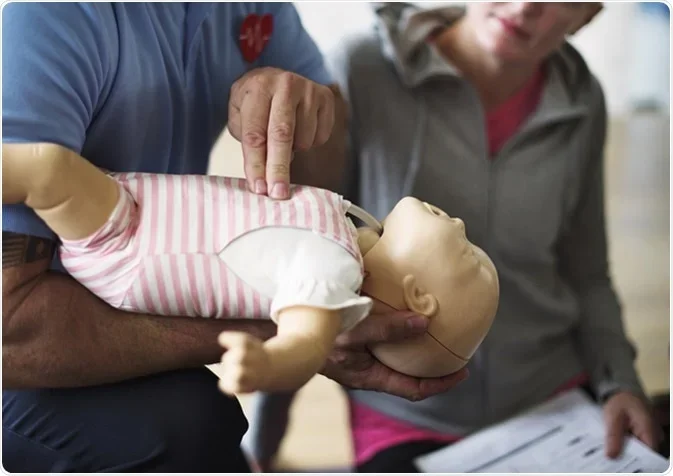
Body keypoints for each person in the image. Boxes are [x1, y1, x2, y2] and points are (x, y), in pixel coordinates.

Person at [1, 3, 467, 472]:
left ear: (416, 295)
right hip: (33, 332)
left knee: (201, 420)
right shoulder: (47, 17)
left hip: (120, 254)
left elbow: (300, 346)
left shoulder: (335, 268)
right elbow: (8, 331)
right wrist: (271, 333)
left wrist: (302, 110)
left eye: (467, 257)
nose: (462, 226)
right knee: (194, 423)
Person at [245, 2, 663, 472]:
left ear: (588, 15)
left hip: (555, 399)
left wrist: (621, 383)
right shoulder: (360, 70)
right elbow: (303, 258)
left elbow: (587, 272)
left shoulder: (583, 99)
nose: (526, 6)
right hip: (404, 413)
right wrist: (262, 439)